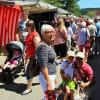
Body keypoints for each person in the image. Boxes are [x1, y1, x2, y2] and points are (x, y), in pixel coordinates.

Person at [36, 24, 57, 100]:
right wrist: (49, 83)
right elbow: (43, 66)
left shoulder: (48, 44)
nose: (52, 34)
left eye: (52, 31)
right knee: (51, 98)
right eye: (49, 32)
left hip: (50, 75)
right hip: (47, 77)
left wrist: (54, 78)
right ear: (43, 34)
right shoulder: (43, 46)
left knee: (49, 97)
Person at [21, 20, 41, 95]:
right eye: (27, 25)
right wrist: (25, 55)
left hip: (34, 57)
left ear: (32, 26)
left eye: (29, 26)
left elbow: (39, 48)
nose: (27, 27)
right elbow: (27, 46)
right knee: (34, 71)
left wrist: (36, 58)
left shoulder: (35, 35)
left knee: (29, 73)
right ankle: (46, 80)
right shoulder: (29, 34)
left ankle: (28, 88)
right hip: (30, 56)